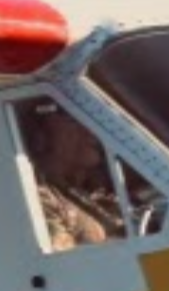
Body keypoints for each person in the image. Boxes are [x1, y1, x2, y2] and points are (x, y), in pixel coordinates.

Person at [24, 101, 124, 251]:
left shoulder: (80, 189)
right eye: (75, 121)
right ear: (44, 137)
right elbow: (66, 262)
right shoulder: (40, 199)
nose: (91, 132)